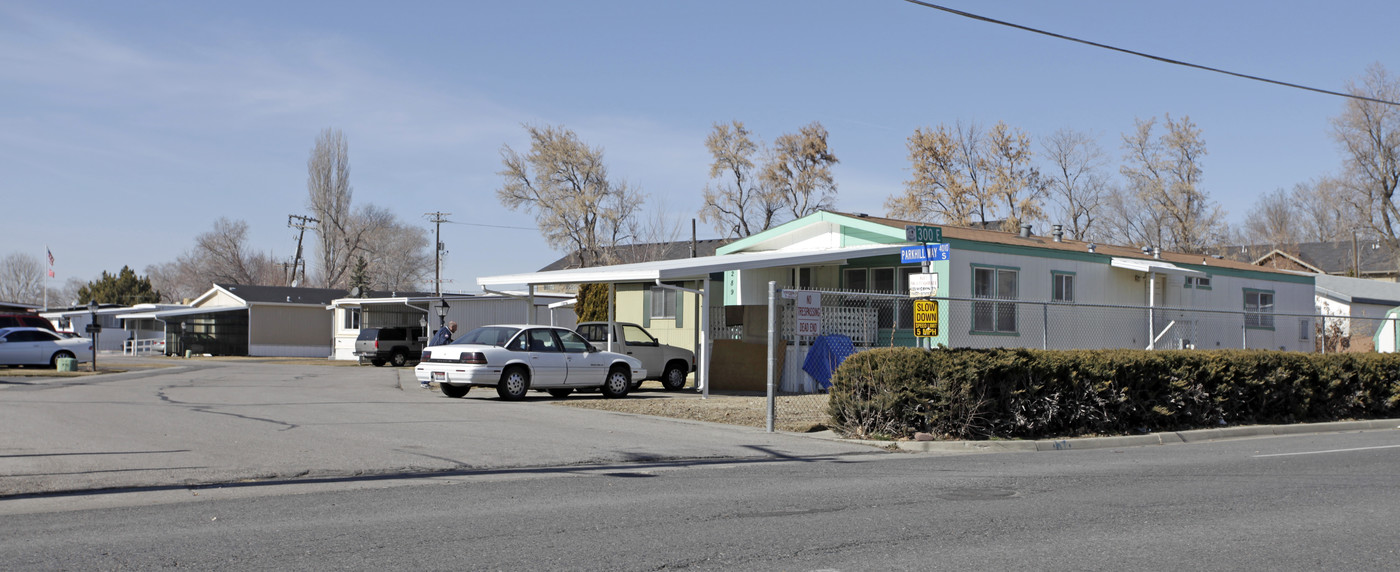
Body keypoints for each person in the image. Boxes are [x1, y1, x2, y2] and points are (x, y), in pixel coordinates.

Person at [424, 321, 456, 388]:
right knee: (432, 367)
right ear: (452, 327)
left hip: (433, 350)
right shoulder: (446, 332)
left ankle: (425, 382)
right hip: (435, 351)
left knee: (432, 366)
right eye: (455, 328)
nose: (456, 330)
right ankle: (424, 382)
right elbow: (443, 342)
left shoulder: (444, 330)